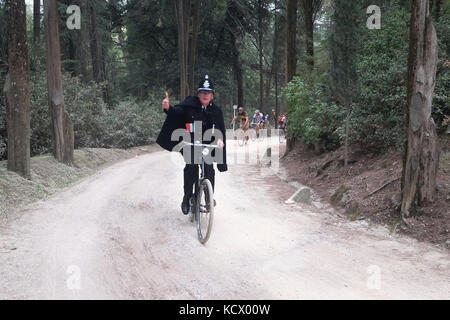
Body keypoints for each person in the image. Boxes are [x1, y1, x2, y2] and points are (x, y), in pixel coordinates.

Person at [156, 75, 227, 215]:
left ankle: (208, 198)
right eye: (202, 92)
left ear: (212, 95)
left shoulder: (216, 111)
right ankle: (187, 196)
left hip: (208, 145)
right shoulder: (190, 104)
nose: (205, 95)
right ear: (198, 94)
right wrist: (168, 108)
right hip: (190, 143)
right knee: (192, 166)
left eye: (208, 93)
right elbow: (176, 112)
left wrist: (220, 140)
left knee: (208, 167)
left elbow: (220, 130)